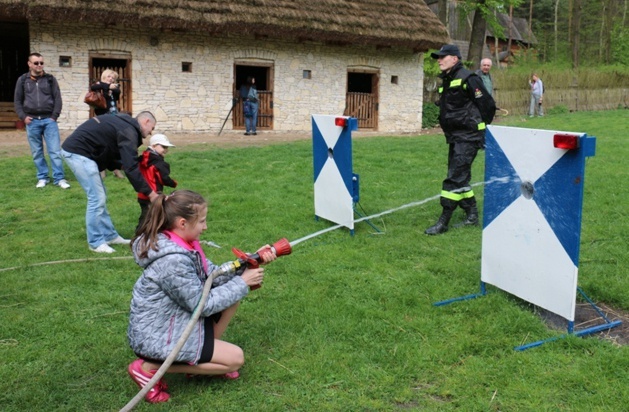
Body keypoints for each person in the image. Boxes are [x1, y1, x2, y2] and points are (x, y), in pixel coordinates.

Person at [127, 190, 276, 403]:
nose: (205, 227)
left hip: (175, 323)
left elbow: (212, 276)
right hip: (158, 336)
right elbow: (201, 305)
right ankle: (147, 368)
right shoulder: (172, 261)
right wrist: (243, 282)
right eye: (202, 221)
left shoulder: (180, 244)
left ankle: (199, 363)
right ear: (182, 223)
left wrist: (251, 260)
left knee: (232, 297)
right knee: (235, 359)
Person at [60, 111, 158, 253]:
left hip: (84, 154)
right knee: (96, 198)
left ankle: (110, 236)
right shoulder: (128, 130)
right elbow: (130, 167)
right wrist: (150, 193)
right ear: (146, 121)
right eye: (152, 128)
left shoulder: (124, 125)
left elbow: (108, 149)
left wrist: (120, 165)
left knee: (100, 195)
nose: (150, 133)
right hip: (78, 153)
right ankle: (95, 243)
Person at [425, 44, 496, 235]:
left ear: (454, 59)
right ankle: (472, 214)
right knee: (460, 177)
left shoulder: (469, 78)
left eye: (443, 57)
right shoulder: (448, 80)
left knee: (453, 178)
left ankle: (444, 220)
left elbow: (488, 105)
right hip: (455, 136)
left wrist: (479, 128)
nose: (439, 60)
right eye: (438, 57)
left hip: (469, 136)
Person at [14, 52, 70, 189]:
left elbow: (58, 99)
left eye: (41, 63)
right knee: (37, 152)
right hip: (32, 121)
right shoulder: (22, 80)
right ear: (29, 64)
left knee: (55, 151)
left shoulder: (50, 79)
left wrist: (54, 117)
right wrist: (23, 117)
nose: (39, 65)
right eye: (36, 63)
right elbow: (17, 101)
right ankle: (42, 178)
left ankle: (59, 178)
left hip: (49, 120)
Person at [136, 133, 178, 230]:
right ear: (154, 146)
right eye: (163, 146)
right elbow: (163, 178)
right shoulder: (158, 162)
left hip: (142, 193)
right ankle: (143, 234)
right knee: (152, 215)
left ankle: (148, 232)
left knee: (147, 213)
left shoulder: (143, 157)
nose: (166, 150)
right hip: (154, 193)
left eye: (167, 147)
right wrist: (173, 183)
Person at [91, 70, 125, 179]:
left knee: (114, 143)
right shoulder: (98, 86)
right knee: (101, 143)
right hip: (102, 117)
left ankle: (115, 169)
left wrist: (111, 88)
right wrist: (107, 86)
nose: (111, 79)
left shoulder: (115, 89)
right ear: (104, 76)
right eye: (109, 76)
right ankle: (102, 169)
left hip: (113, 116)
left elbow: (117, 93)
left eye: (113, 78)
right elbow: (93, 87)